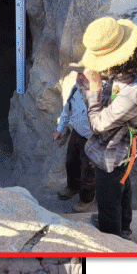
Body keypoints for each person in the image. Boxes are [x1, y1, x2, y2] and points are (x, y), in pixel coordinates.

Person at [78, 17, 137, 239]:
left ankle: (113, 237)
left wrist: (92, 90)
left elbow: (98, 125)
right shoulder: (135, 68)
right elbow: (116, 99)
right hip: (126, 153)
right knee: (123, 189)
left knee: (108, 201)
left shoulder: (135, 92)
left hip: (112, 156)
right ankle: (125, 227)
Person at [53, 73, 95, 212]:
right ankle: (72, 187)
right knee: (71, 163)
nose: (80, 77)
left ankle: (86, 199)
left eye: (84, 74)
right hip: (76, 134)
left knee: (88, 171)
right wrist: (60, 128)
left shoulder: (102, 94)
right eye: (79, 74)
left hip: (92, 139)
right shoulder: (76, 88)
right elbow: (67, 109)